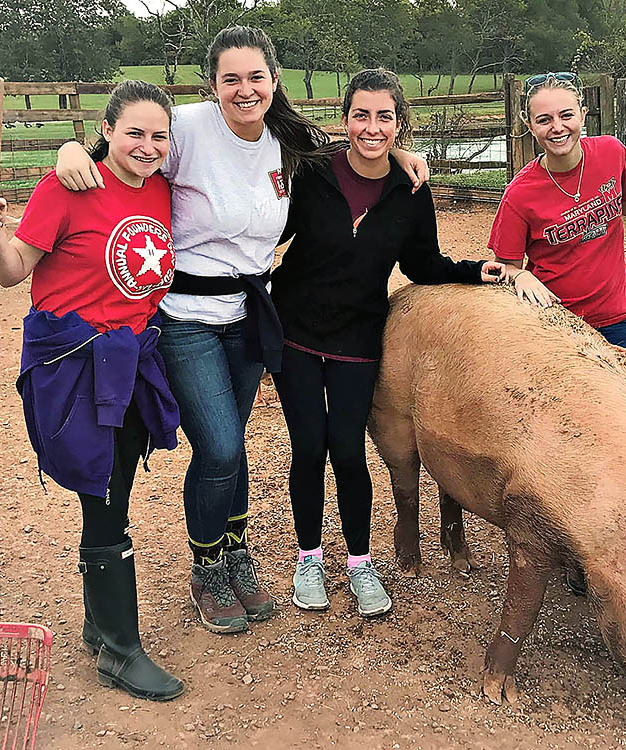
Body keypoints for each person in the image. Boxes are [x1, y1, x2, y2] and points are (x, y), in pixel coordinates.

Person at [55, 27, 430, 635]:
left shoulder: (288, 139)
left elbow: (357, 152)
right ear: (213, 85)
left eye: (255, 77)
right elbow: (131, 152)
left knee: (233, 449)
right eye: (230, 78)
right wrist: (78, 155)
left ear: (274, 82)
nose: (244, 89)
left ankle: (234, 550)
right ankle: (207, 565)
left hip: (251, 314)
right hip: (187, 316)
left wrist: (403, 157)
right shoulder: (189, 131)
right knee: (222, 445)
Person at [0, 80, 184, 701]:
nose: (146, 146)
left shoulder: (163, 189)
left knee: (114, 487)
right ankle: (119, 650)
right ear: (108, 129)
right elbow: (11, 272)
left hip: (135, 360)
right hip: (77, 363)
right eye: (134, 132)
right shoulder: (66, 187)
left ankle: (99, 626)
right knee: (105, 495)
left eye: (158, 136)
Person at [271, 68, 506, 617]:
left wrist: (474, 272)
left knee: (350, 451)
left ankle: (358, 562)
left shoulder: (410, 190)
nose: (371, 128)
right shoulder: (311, 173)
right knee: (309, 448)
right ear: (345, 118)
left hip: (358, 335)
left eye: (384, 117)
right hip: (297, 331)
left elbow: (421, 263)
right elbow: (267, 229)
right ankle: (309, 558)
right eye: (361, 114)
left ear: (400, 125)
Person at [488, 71, 626, 359]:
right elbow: (504, 266)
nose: (557, 127)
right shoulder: (520, 194)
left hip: (614, 316)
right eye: (544, 120)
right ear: (529, 126)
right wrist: (520, 276)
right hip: (553, 321)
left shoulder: (611, 153)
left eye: (566, 115)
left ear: (582, 114)